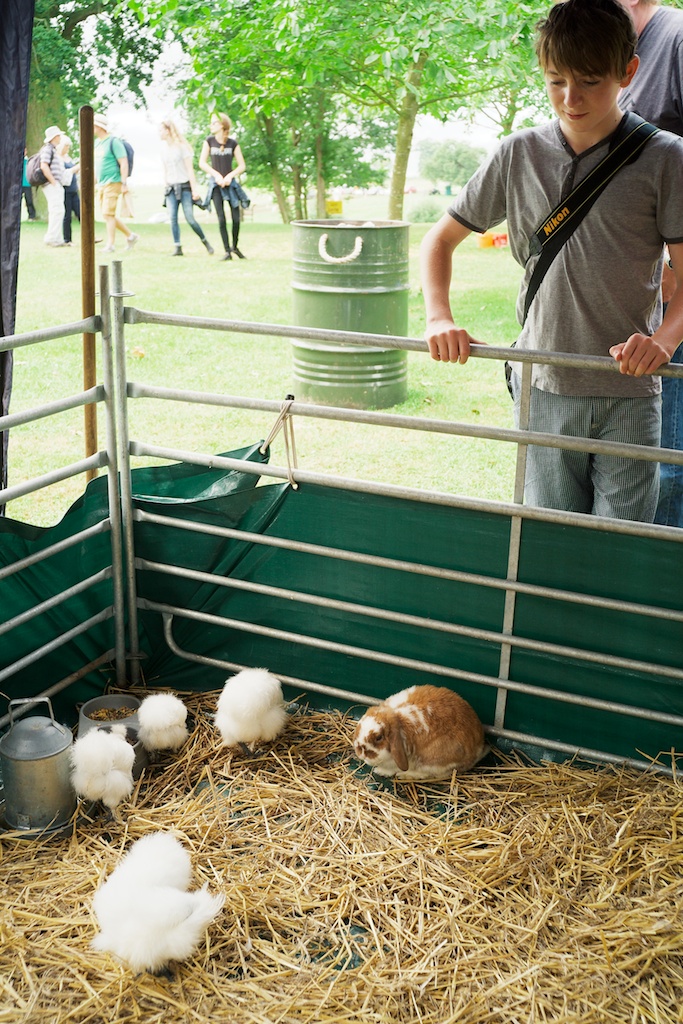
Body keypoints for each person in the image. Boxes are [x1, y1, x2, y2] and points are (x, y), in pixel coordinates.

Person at [420, 0, 683, 523]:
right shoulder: (516, 153)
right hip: (542, 386)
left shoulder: (668, 158)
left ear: (627, 72)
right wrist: (439, 316)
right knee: (550, 542)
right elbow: (438, 241)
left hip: (630, 391)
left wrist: (664, 341)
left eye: (589, 80)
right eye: (556, 80)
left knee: (622, 546)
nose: (571, 98)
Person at [616, 0, 683, 527]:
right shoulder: (604, 45)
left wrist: (665, 255)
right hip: (626, 303)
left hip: (674, 302)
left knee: (668, 468)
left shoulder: (678, 38)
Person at [159, 119, 214, 257]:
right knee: (172, 217)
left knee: (190, 217)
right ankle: (177, 247)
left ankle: (205, 241)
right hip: (171, 188)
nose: (159, 133)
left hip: (184, 187)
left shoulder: (182, 147)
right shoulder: (163, 149)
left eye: (160, 130)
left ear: (167, 130)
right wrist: (165, 183)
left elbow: (190, 170)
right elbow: (165, 169)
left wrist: (194, 190)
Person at [199, 113, 247, 261]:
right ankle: (227, 251)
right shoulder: (209, 141)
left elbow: (242, 165)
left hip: (230, 184)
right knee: (221, 219)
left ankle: (235, 247)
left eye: (213, 123)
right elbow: (202, 163)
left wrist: (229, 176)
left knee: (236, 218)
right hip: (216, 184)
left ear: (222, 125)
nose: (211, 125)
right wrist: (217, 176)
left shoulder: (233, 143)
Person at [93, 112, 138, 254]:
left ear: (99, 127)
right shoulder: (97, 143)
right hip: (101, 184)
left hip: (113, 182)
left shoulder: (114, 142)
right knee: (107, 215)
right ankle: (131, 236)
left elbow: (123, 162)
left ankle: (110, 244)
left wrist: (124, 183)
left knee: (108, 213)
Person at [39, 125, 66, 247]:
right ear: (55, 137)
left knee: (58, 210)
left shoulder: (52, 149)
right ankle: (51, 238)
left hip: (54, 183)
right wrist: (53, 182)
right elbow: (44, 165)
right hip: (51, 184)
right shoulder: (48, 149)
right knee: (57, 210)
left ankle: (57, 238)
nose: (60, 137)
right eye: (59, 135)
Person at [58, 134, 80, 246]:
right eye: (66, 145)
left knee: (81, 212)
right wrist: (74, 169)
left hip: (74, 189)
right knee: (67, 216)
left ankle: (91, 235)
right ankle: (67, 240)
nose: (67, 148)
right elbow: (63, 175)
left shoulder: (69, 158)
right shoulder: (58, 159)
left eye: (68, 146)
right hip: (65, 190)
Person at [21, 149, 37, 221]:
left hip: (27, 184)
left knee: (29, 200)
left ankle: (32, 216)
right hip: (19, 184)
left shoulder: (28, 161)